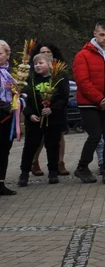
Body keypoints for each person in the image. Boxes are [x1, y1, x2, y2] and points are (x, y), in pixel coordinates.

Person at [72, 21, 105, 184]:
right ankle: (82, 167)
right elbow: (82, 80)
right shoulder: (83, 55)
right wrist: (99, 98)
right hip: (89, 103)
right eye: (102, 34)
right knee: (95, 135)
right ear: (95, 33)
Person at [17, 53, 68, 187]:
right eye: (36, 64)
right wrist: (29, 114)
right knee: (30, 146)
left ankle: (53, 171)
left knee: (52, 146)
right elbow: (24, 100)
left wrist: (52, 109)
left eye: (41, 63)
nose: (38, 66)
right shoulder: (30, 80)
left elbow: (63, 98)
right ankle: (24, 172)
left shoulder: (57, 79)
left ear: (50, 64)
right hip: (34, 120)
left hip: (52, 120)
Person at [27, 43, 70, 177]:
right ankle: (34, 161)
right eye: (42, 52)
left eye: (48, 52)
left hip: (56, 111)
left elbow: (64, 94)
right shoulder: (34, 76)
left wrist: (55, 107)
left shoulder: (60, 73)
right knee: (39, 138)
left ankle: (59, 162)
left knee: (59, 136)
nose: (45, 54)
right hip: (40, 111)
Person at [0, 40, 14, 195]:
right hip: (2, 112)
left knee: (4, 149)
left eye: (0, 53)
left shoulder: (9, 73)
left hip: (7, 116)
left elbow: (18, 91)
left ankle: (1, 182)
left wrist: (19, 100)